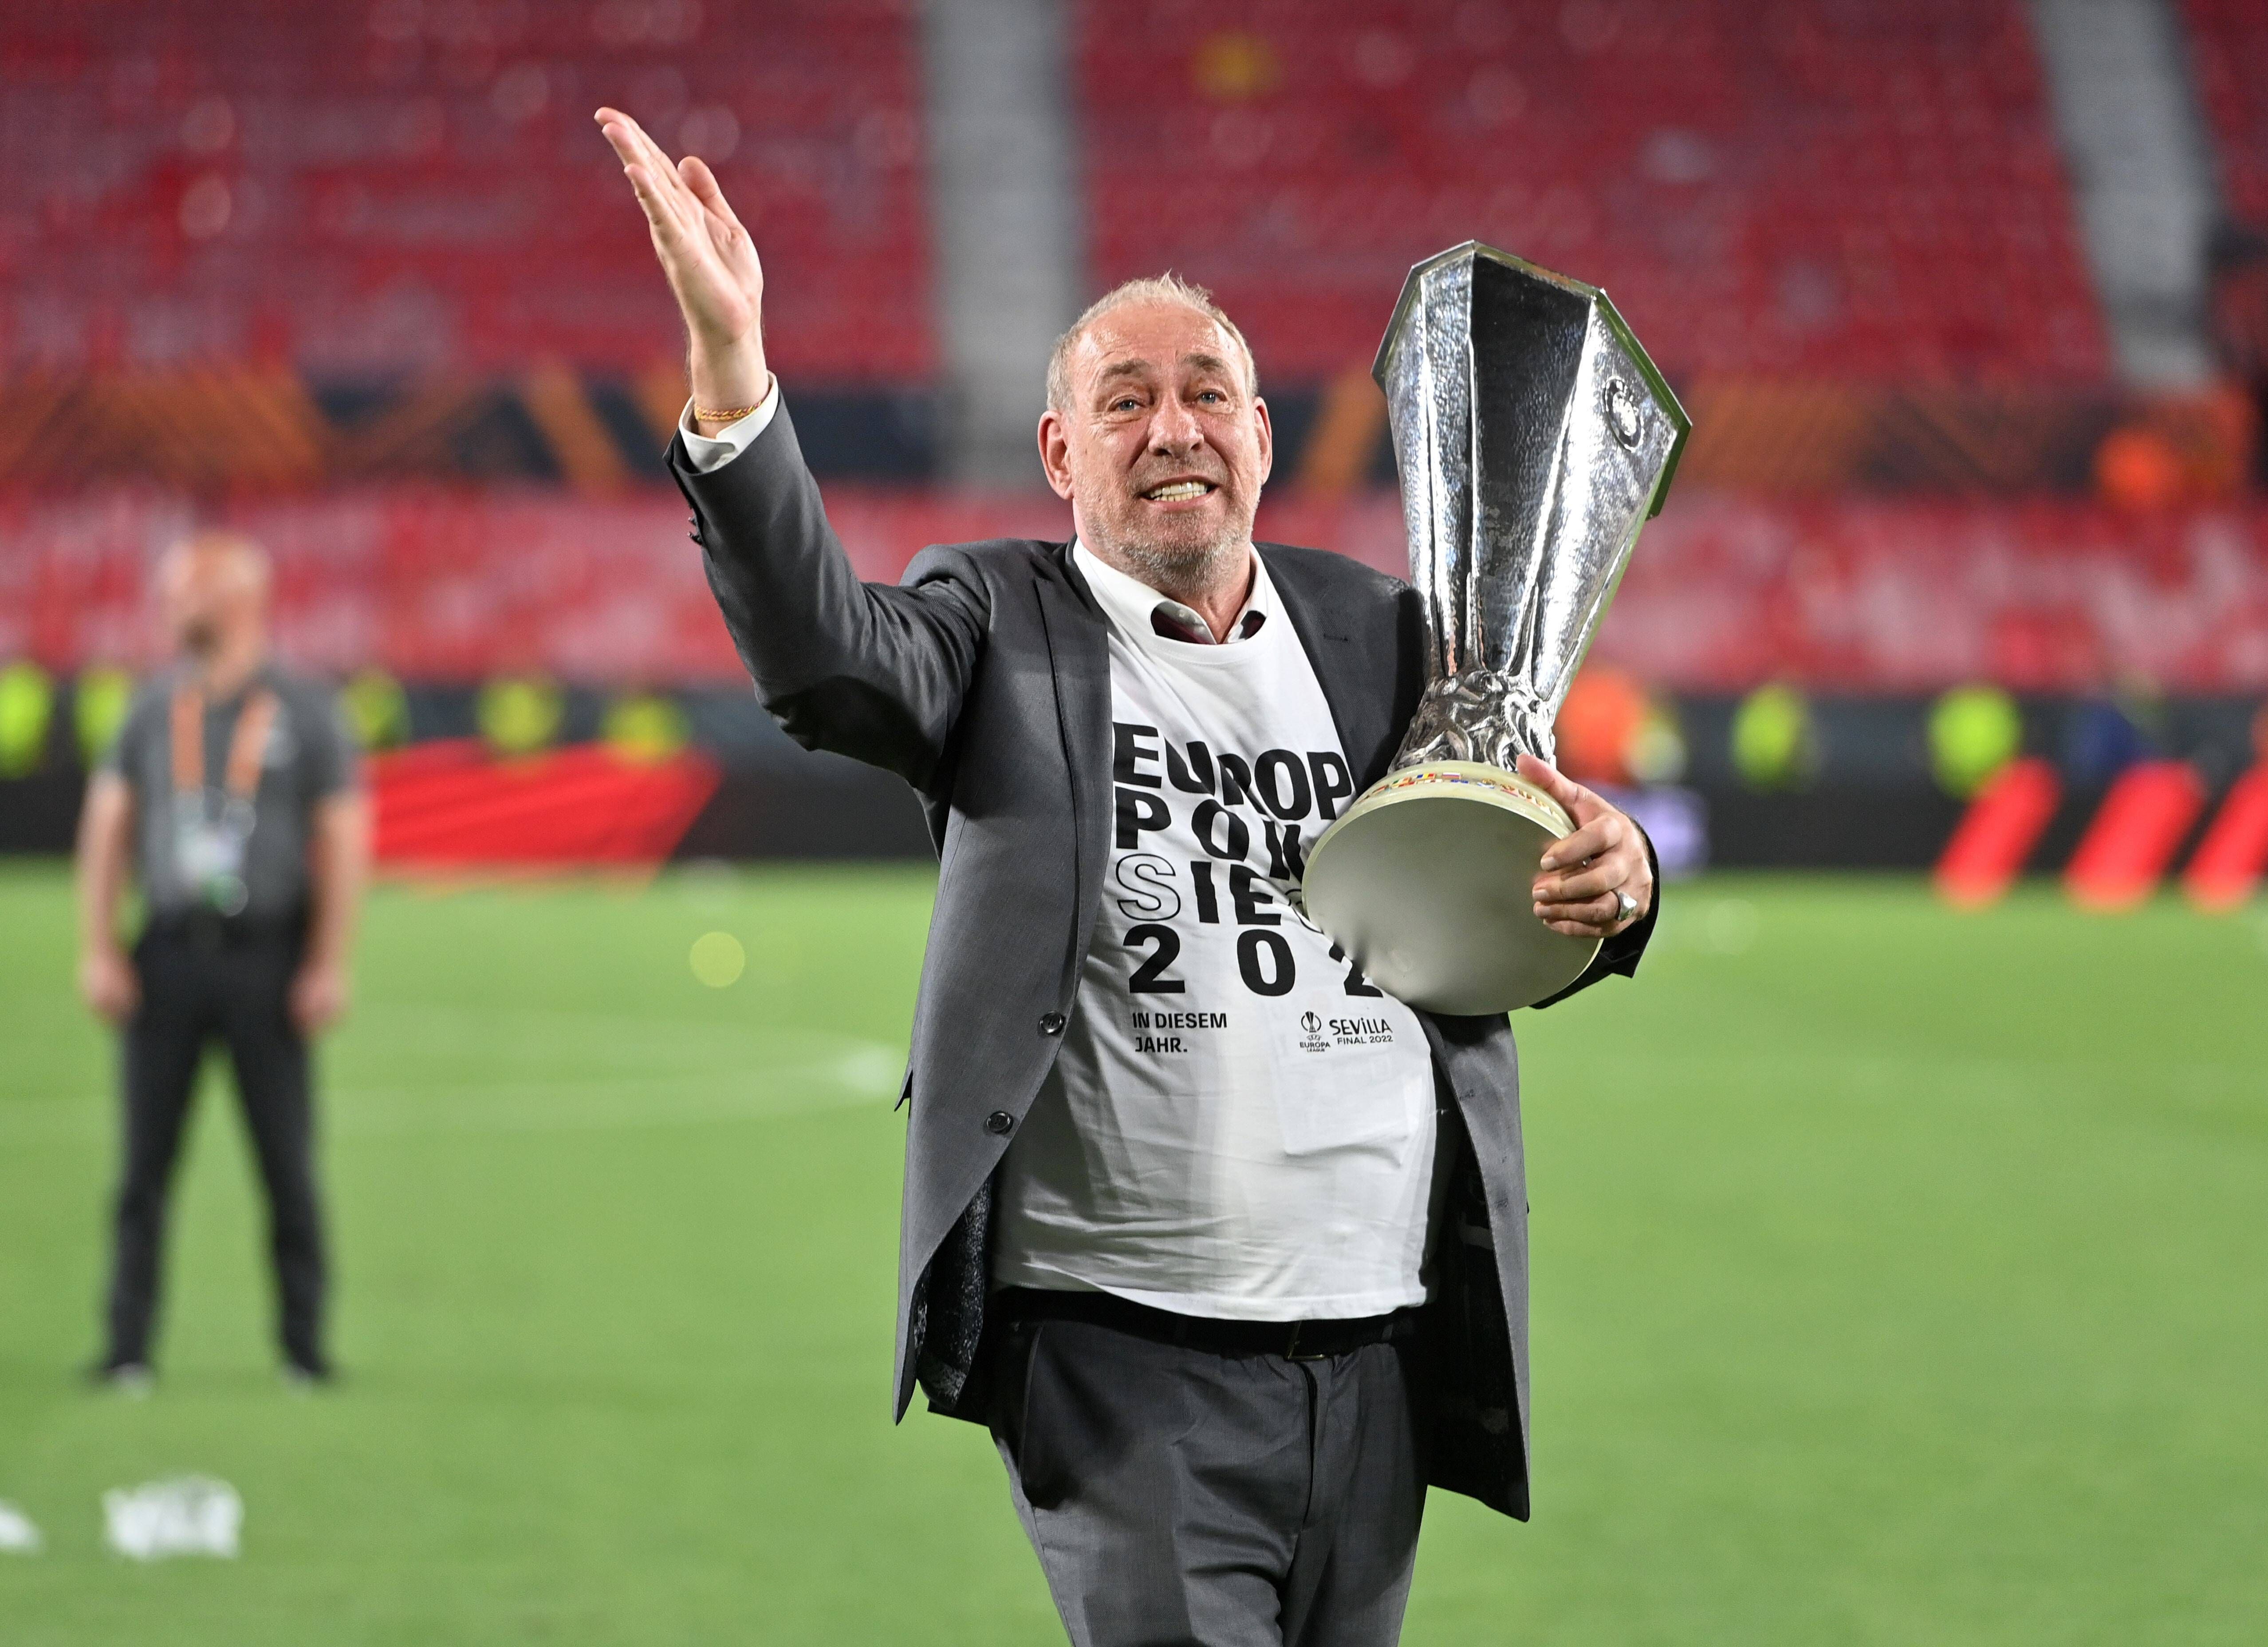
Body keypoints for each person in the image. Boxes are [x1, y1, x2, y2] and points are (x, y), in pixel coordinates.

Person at [599, 107, 1660, 1646]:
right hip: (1126, 1360)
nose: (1173, 427)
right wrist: (731, 372)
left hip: (1377, 1349)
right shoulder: (996, 621)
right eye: (1125, 400)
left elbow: (1513, 864)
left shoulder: (1381, 636)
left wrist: (1613, 879)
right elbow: (825, 658)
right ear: (1059, 452)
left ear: (1258, 434)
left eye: (1205, 393)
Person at [74, 532, 370, 1391]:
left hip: (267, 957)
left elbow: (345, 840)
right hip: (165, 953)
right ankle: (128, 1348)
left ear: (235, 596)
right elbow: (107, 828)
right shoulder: (148, 706)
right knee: (143, 1165)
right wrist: (98, 946)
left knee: (286, 1162)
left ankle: (303, 1349)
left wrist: (328, 962)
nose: (167, 605)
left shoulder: (307, 709)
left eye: (182, 589)